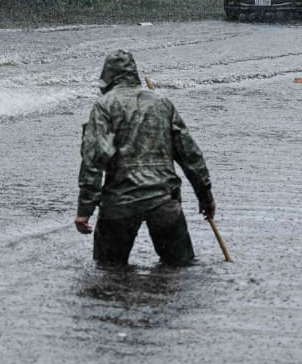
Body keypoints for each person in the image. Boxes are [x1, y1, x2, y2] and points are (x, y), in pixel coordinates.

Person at [74, 50, 215, 266]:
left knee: (108, 275)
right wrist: (205, 197)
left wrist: (85, 210)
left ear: (108, 76)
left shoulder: (104, 106)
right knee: (180, 272)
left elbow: (94, 159)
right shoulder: (162, 103)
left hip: (119, 204)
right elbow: (190, 155)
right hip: (164, 201)